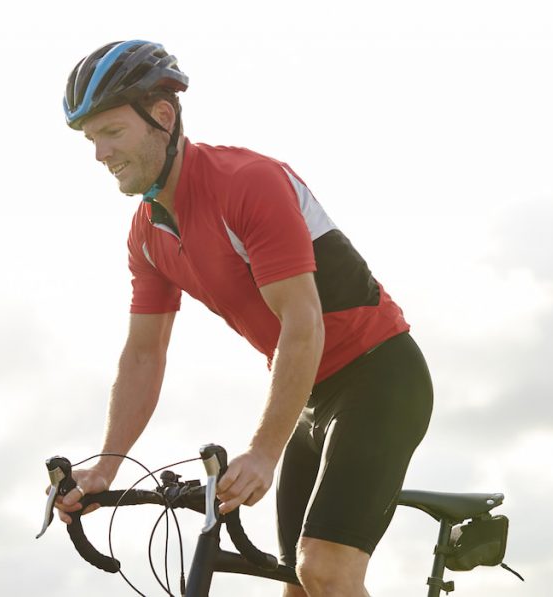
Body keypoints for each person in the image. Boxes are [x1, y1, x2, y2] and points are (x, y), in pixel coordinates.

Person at [53, 40, 433, 597]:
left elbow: (303, 323)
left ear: (162, 117)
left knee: (326, 570)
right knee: (297, 587)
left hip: (378, 377)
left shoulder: (246, 183)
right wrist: (106, 467)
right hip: (309, 396)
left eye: (112, 133)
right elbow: (143, 353)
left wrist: (263, 453)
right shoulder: (147, 234)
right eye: (91, 139)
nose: (99, 154)